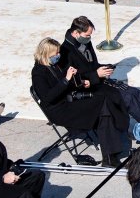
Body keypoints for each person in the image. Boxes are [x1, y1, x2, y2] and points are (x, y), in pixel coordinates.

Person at [31, 37, 129, 167]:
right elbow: (48, 98)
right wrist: (66, 80)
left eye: (58, 53)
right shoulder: (38, 73)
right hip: (59, 110)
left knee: (104, 100)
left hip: (70, 100)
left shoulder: (55, 65)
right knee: (103, 106)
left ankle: (111, 154)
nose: (58, 56)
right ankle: (111, 154)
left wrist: (75, 78)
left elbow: (67, 85)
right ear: (45, 54)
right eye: (55, 54)